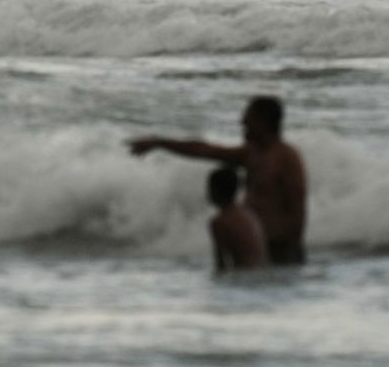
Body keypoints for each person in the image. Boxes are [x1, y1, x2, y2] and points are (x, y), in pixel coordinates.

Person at [129, 95, 308, 265]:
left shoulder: (287, 158)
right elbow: (205, 150)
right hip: (255, 246)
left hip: (281, 251)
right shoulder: (252, 154)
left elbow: (298, 210)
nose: (243, 122)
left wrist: (292, 251)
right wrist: (159, 143)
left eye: (248, 118)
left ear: (264, 121)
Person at [206, 166, 267, 272]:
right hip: (264, 271)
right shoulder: (248, 213)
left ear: (215, 191)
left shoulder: (220, 222)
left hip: (244, 275)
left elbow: (221, 264)